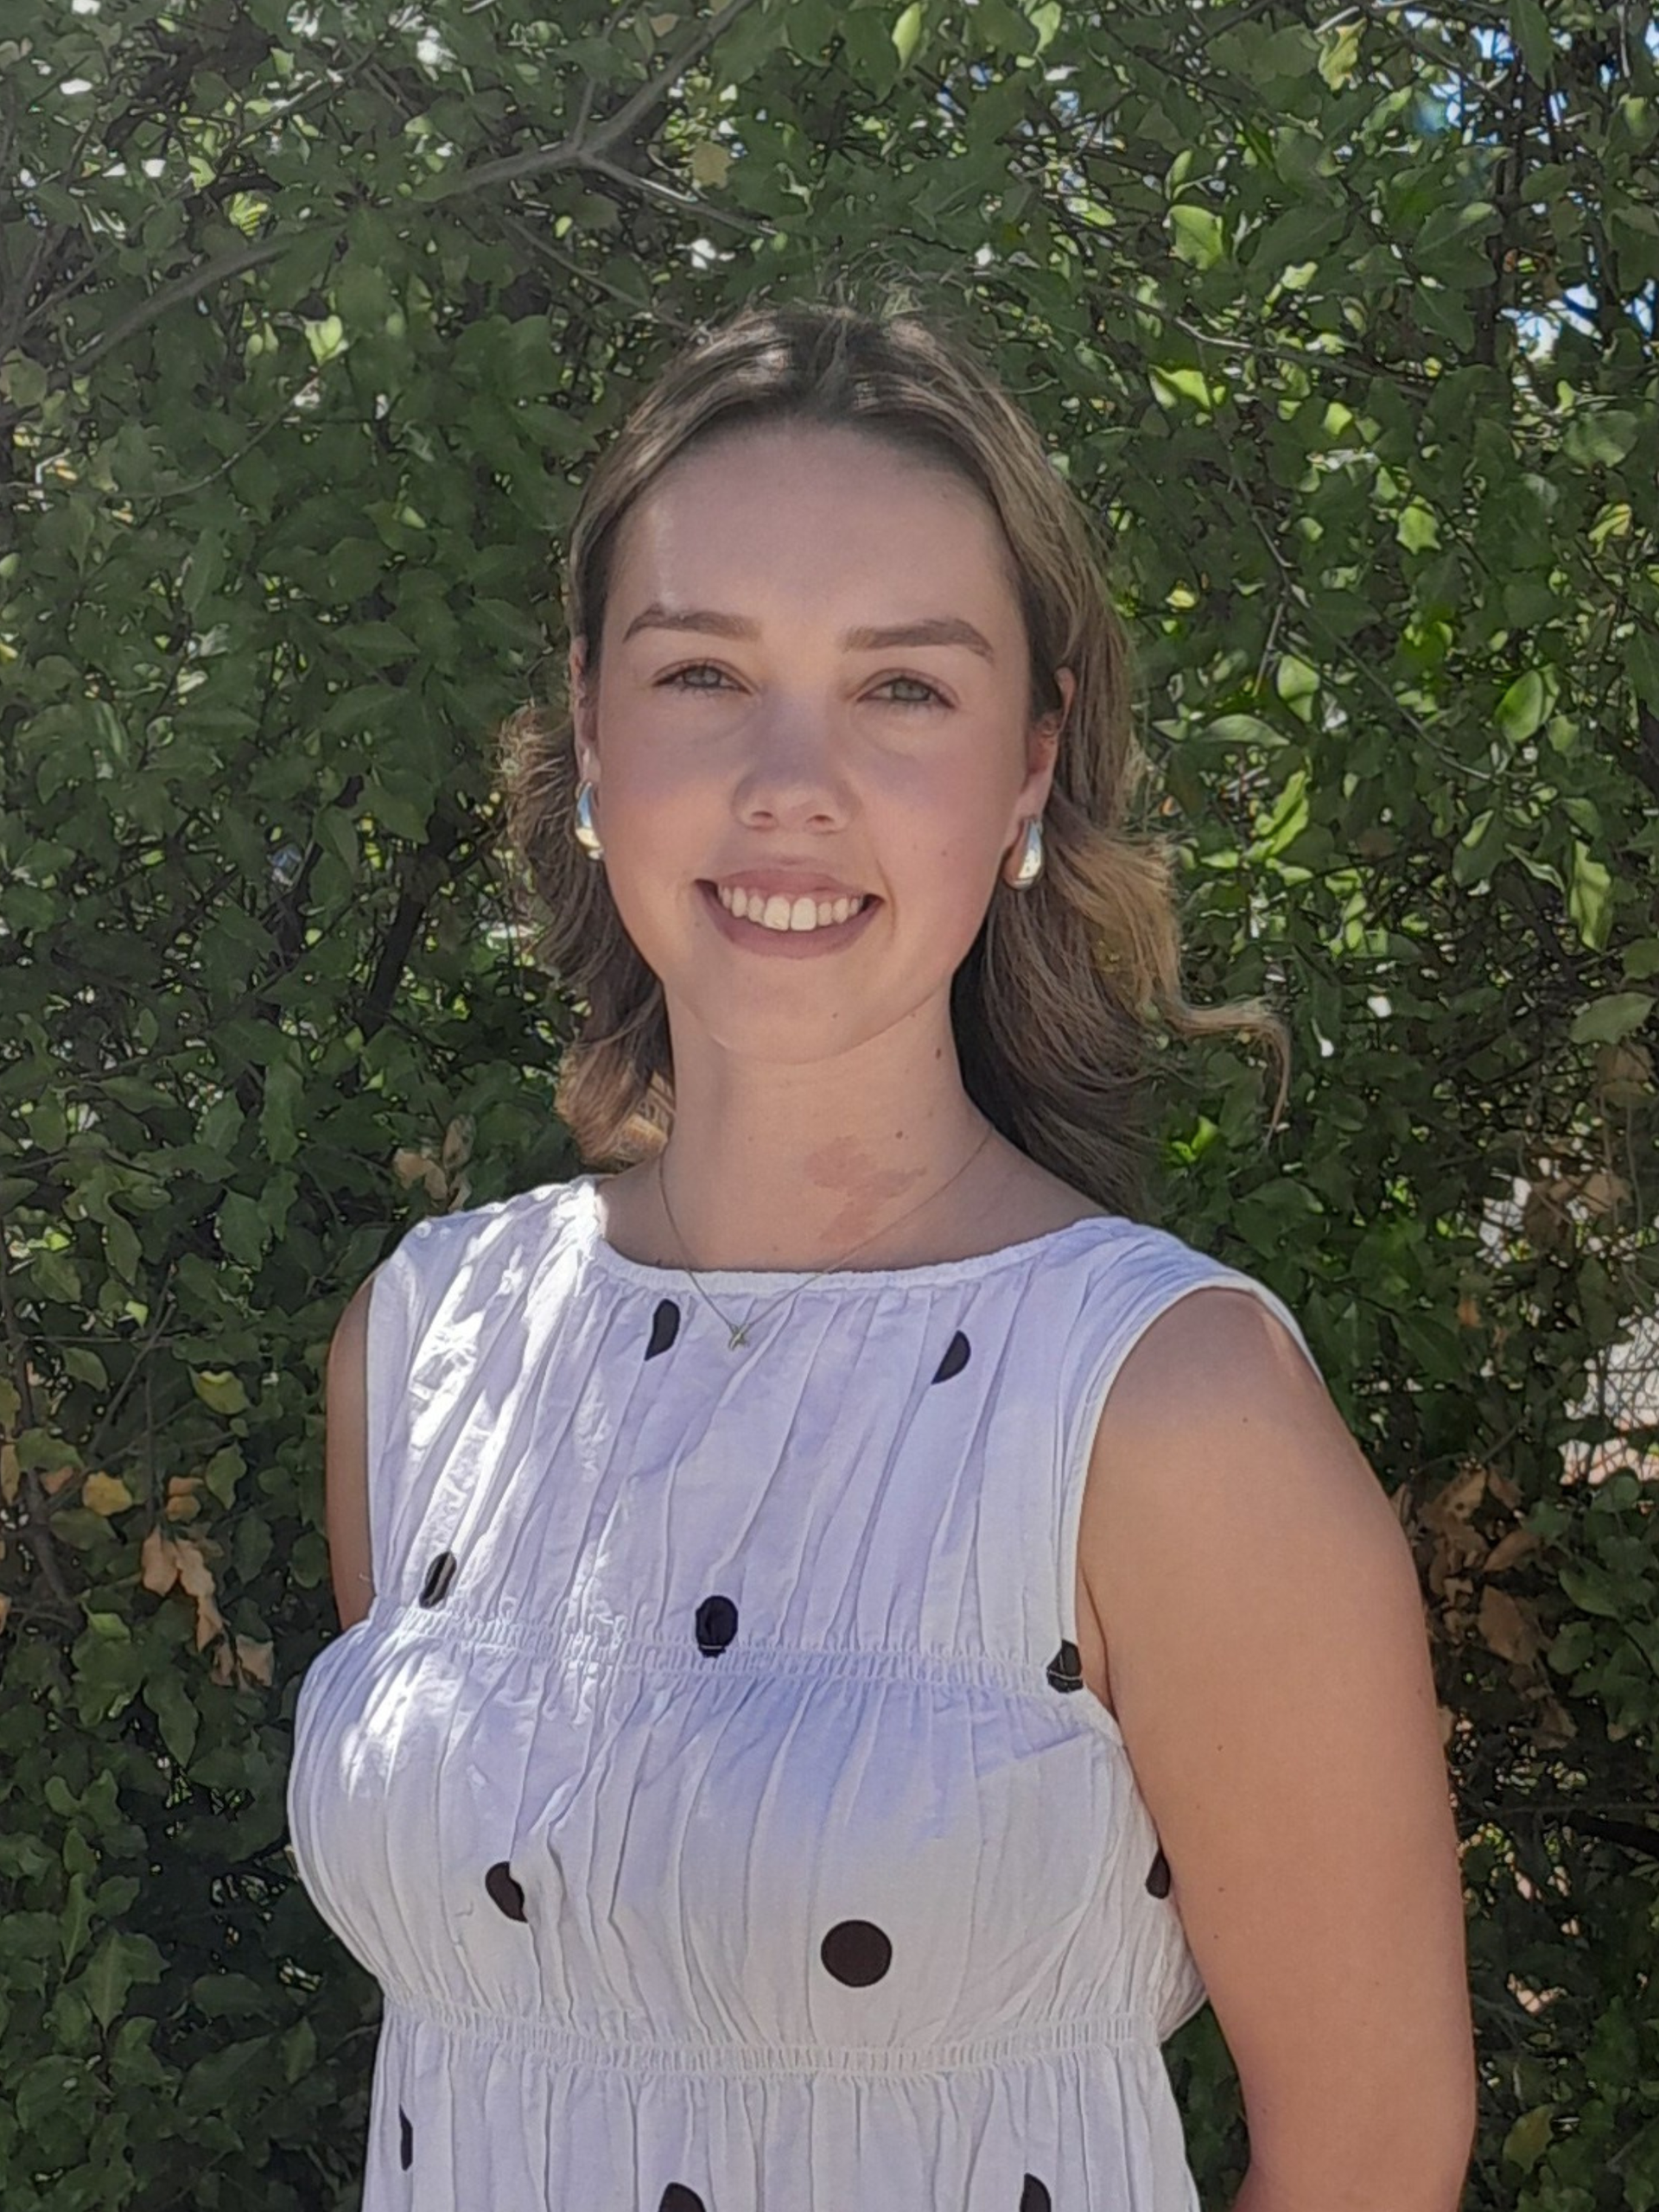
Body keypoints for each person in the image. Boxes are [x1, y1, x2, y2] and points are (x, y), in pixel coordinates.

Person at [287, 296, 1477, 2209]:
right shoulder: (426, 1343)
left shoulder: (1167, 1410)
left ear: (1029, 765)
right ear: (590, 722)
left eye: (903, 688)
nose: (791, 780)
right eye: (703, 675)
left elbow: (1371, 2153)